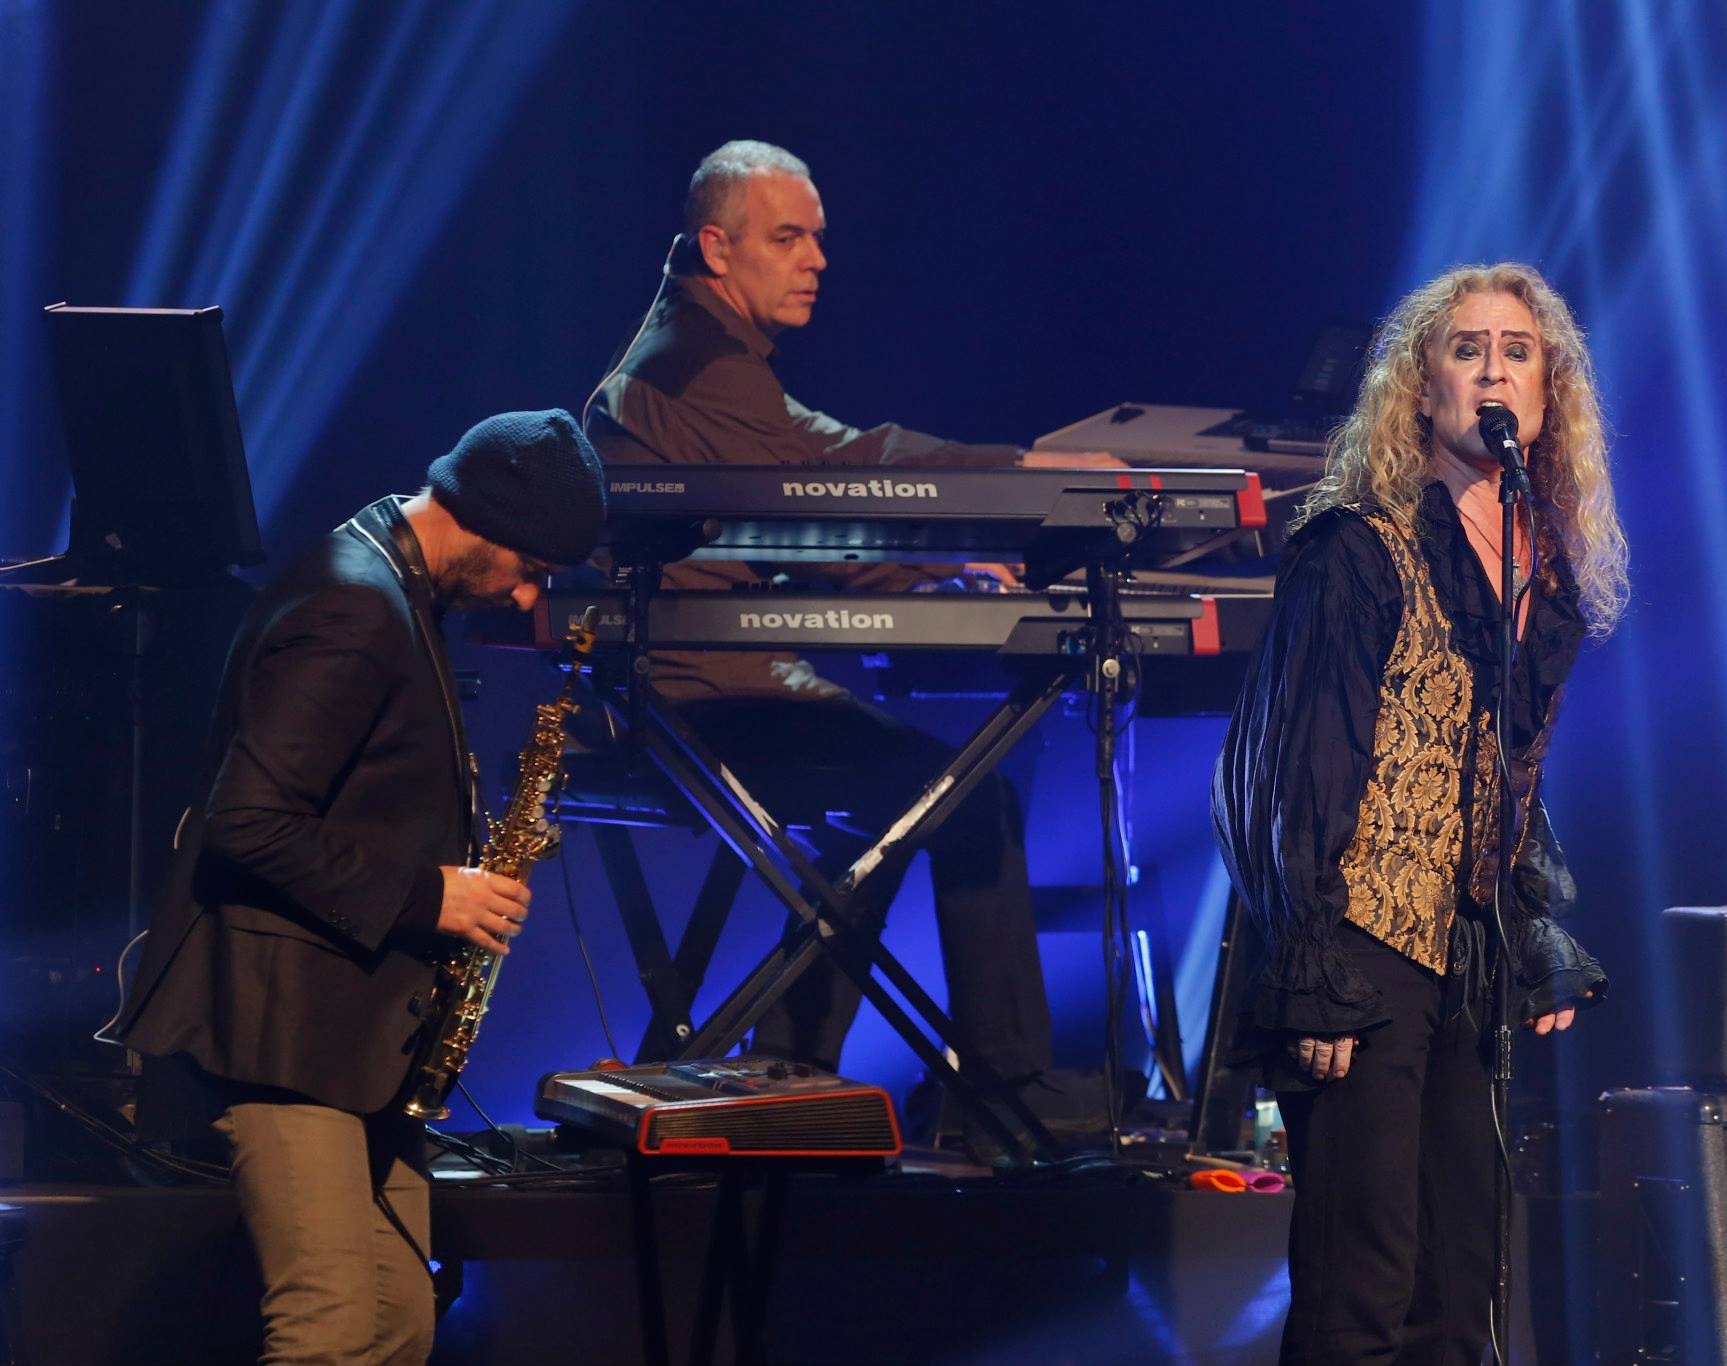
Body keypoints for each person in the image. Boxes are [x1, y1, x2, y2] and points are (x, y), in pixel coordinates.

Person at [583, 140, 1108, 1147]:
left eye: (817, 238)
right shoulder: (697, 365)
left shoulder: (704, 354)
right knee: (961, 796)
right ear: (716, 248)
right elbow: (812, 504)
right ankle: (1001, 1093)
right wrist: (984, 521)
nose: (817, 260)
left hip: (705, 688)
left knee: (891, 814)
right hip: (696, 702)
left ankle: (788, 1076)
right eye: (788, 239)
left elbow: (828, 462)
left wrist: (985, 509)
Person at [114, 410, 609, 1366]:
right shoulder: (352, 605)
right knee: (333, 1326)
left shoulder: (388, 581)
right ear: (484, 518)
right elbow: (245, 820)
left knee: (397, 1322)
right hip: (284, 1030)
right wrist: (432, 896)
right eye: (530, 568)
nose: (525, 598)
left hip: (348, 1036)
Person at [1212, 263, 1626, 1364]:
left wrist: (1527, 924)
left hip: (1465, 956)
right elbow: (1287, 771)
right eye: (1465, 348)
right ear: (1421, 384)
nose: (1492, 371)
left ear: (1548, 392)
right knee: (1363, 1283)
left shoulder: (1544, 566)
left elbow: (1502, 768)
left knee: (1460, 1284)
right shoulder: (1356, 547)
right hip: (1357, 946)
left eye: (1517, 351)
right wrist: (1311, 967)